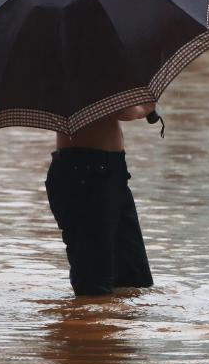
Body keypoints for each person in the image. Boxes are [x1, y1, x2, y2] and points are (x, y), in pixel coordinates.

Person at [45, 105, 155, 296]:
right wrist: (144, 108)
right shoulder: (83, 76)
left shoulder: (93, 76)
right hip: (85, 173)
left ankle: (108, 324)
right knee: (94, 284)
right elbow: (119, 109)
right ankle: (86, 324)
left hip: (110, 171)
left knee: (134, 280)